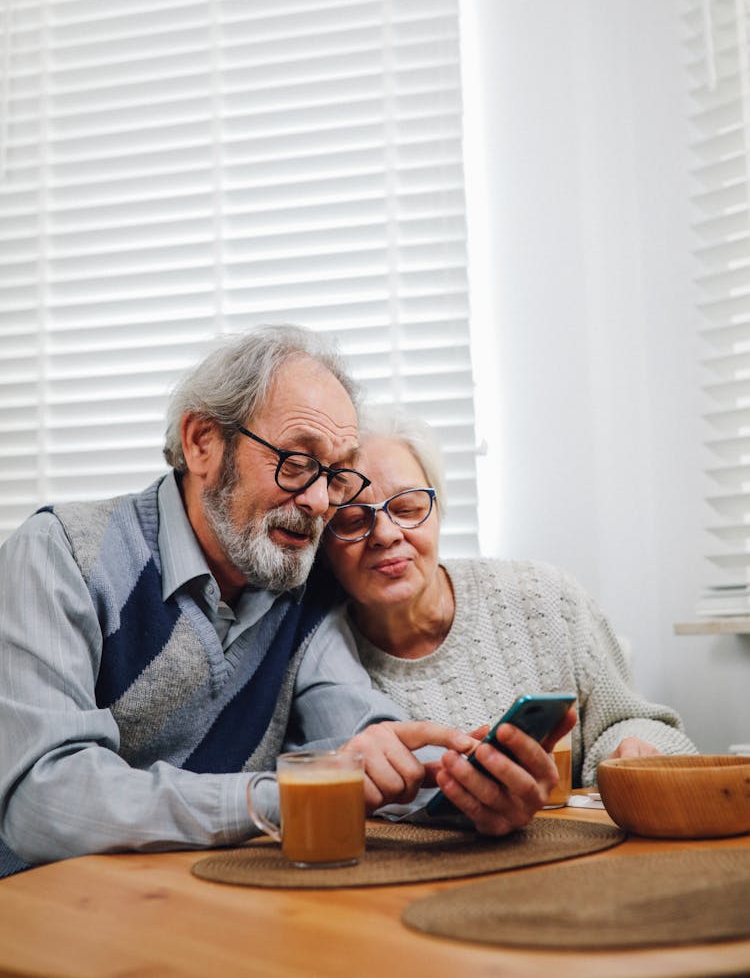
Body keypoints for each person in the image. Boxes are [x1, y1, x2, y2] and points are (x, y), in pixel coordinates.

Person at [0, 327, 567, 877]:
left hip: (224, 912)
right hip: (50, 919)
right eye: (297, 462)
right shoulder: (61, 556)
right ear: (202, 442)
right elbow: (44, 798)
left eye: (338, 473)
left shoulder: (302, 586)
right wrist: (286, 797)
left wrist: (464, 790)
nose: (322, 501)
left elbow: (363, 740)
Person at [320, 405, 697, 801]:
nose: (386, 534)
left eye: (408, 508)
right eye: (351, 521)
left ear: (438, 511)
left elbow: (636, 722)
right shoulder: (319, 658)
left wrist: (630, 751)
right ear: (323, 542)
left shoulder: (546, 597)